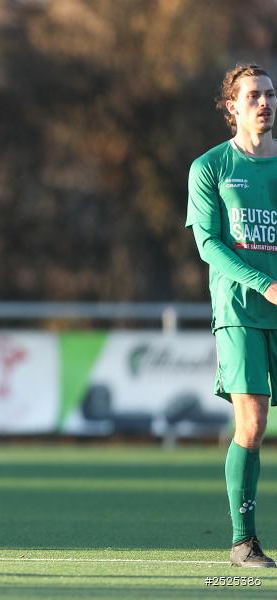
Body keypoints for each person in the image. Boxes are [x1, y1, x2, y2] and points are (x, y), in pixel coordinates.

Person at [187, 63, 277, 567]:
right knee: (253, 422)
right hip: (241, 310)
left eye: (270, 94)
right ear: (232, 107)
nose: (264, 103)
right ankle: (244, 541)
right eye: (253, 96)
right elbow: (208, 245)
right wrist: (265, 284)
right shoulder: (211, 167)